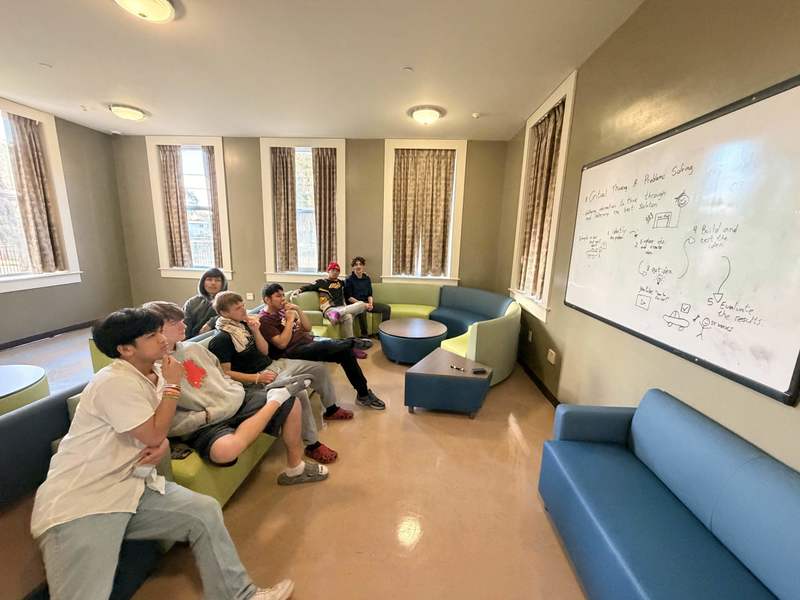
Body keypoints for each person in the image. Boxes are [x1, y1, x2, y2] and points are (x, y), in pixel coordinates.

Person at [30, 308, 294, 600]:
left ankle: (240, 594)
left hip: (132, 489)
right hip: (82, 502)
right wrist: (171, 389)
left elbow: (158, 432)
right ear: (125, 349)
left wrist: (163, 443)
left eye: (159, 330)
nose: (162, 339)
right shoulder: (114, 382)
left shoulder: (155, 371)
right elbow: (155, 432)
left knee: (203, 512)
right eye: (151, 335)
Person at [144, 301, 336, 476]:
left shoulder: (195, 348)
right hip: (207, 421)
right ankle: (278, 395)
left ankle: (296, 468)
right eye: (175, 322)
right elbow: (168, 418)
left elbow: (223, 376)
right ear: (155, 331)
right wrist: (255, 379)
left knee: (293, 402)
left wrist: (255, 331)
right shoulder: (153, 368)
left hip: (235, 398)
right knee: (225, 451)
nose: (184, 326)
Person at [207, 292, 353, 463]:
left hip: (274, 364)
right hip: (257, 379)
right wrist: (256, 378)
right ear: (224, 313)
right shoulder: (221, 339)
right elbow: (225, 374)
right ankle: (312, 445)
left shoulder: (243, 326)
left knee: (319, 368)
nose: (243, 310)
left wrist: (255, 330)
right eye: (238, 308)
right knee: (299, 393)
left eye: (243, 305)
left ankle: (331, 409)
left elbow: (264, 351)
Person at [259, 283, 386, 411]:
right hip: (291, 352)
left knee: (346, 353)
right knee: (332, 345)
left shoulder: (282, 311)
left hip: (306, 341)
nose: (282, 298)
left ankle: (363, 394)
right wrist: (290, 321)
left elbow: (307, 328)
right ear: (267, 300)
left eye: (283, 295)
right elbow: (281, 344)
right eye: (278, 296)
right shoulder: (264, 320)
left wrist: (297, 309)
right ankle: (351, 342)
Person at [294, 261, 367, 339]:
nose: (335, 272)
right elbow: (308, 287)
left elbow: (352, 282)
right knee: (348, 315)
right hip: (329, 309)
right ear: (328, 271)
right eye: (333, 270)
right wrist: (299, 290)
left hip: (342, 308)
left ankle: (349, 342)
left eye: (337, 271)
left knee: (361, 304)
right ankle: (350, 341)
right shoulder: (321, 282)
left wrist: (363, 276)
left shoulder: (341, 283)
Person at [345, 256, 391, 337]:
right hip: (356, 304)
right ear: (353, 267)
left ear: (363, 266)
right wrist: (362, 304)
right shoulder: (349, 279)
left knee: (386, 308)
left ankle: (383, 334)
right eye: (356, 264)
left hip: (367, 302)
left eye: (360, 264)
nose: (358, 266)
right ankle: (364, 335)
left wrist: (370, 304)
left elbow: (370, 294)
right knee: (362, 310)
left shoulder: (367, 278)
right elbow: (349, 297)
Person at [184, 267, 227, 339]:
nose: (213, 283)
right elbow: (185, 323)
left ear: (223, 284)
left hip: (210, 339)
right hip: (190, 340)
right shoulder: (192, 302)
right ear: (203, 283)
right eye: (209, 279)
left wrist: (211, 323)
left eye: (217, 280)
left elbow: (233, 315)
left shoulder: (228, 300)